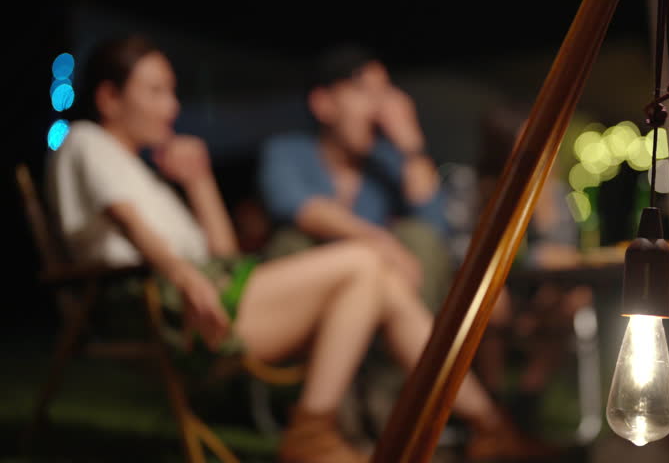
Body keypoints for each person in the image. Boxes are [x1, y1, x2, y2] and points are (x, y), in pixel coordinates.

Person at [47, 35, 561, 463]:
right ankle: (323, 430)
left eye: (172, 91)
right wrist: (185, 277)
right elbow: (130, 223)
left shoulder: (141, 172)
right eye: (157, 91)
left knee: (374, 271)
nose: (173, 107)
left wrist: (201, 182)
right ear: (111, 98)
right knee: (368, 261)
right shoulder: (88, 141)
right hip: (167, 306)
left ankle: (487, 426)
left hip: (210, 291)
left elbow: (223, 254)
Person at [259, 44, 451, 311]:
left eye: (383, 93)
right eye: (363, 92)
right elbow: (296, 207)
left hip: (381, 301)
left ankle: (418, 346)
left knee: (419, 237)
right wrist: (378, 241)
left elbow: (435, 227)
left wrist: (411, 144)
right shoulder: (287, 150)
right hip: (309, 296)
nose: (377, 108)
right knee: (292, 241)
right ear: (322, 103)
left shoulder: (386, 163)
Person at [446, 104, 592, 418]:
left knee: (574, 298)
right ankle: (492, 402)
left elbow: (563, 255)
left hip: (536, 293)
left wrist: (545, 205)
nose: (540, 146)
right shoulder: (470, 187)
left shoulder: (553, 191)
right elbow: (463, 253)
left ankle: (528, 401)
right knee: (491, 301)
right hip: (489, 289)